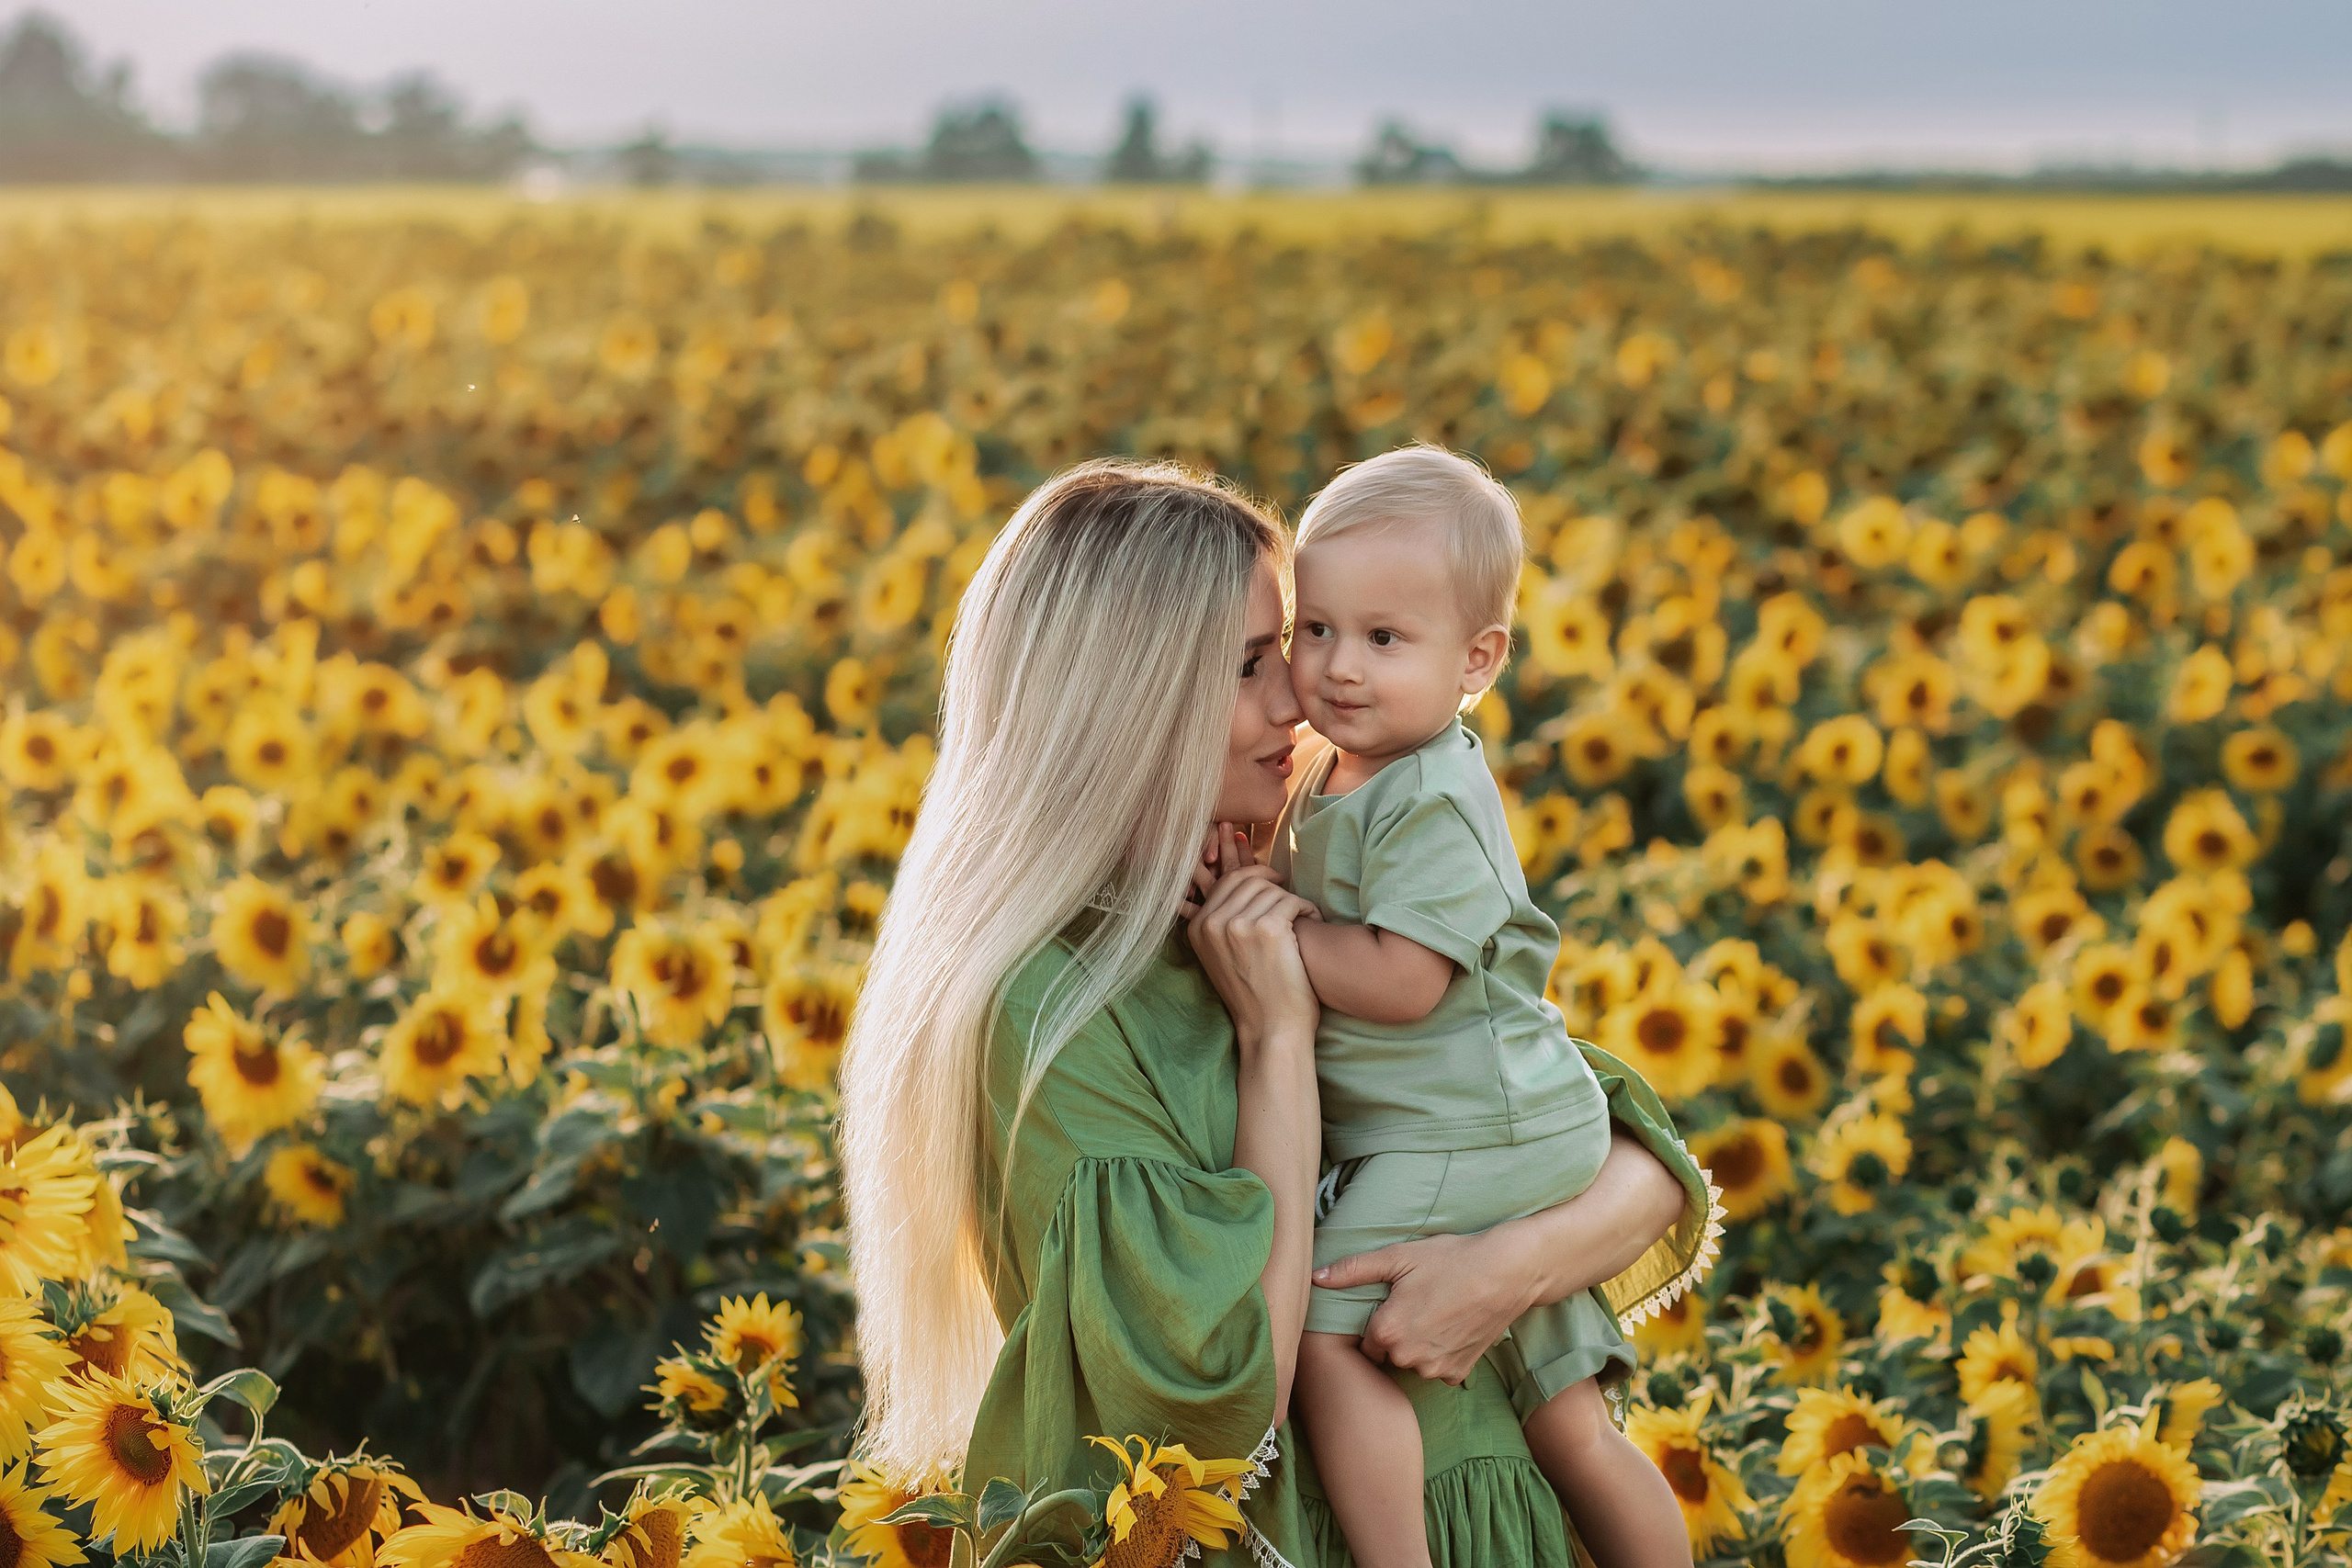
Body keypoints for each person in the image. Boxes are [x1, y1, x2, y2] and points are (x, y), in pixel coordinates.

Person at [838, 457, 1720, 1566]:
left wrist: (1511, 1267)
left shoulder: (1255, 892)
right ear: (1130, 704)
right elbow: (1224, 1384)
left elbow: (1603, 1136)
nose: (1303, 697)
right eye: (1260, 662)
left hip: (1493, 1514)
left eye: (1289, 648)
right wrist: (1278, 1039)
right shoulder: (1049, 1005)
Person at [1262, 446, 1697, 1568]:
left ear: (1478, 659)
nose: (1338, 667)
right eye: (1315, 630)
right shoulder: (1336, 765)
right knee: (1567, 1422)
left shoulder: (1436, 800)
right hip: (1476, 1118)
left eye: (1383, 639)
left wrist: (1281, 936)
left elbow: (1406, 984)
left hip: (1473, 1128)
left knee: (1324, 1336)